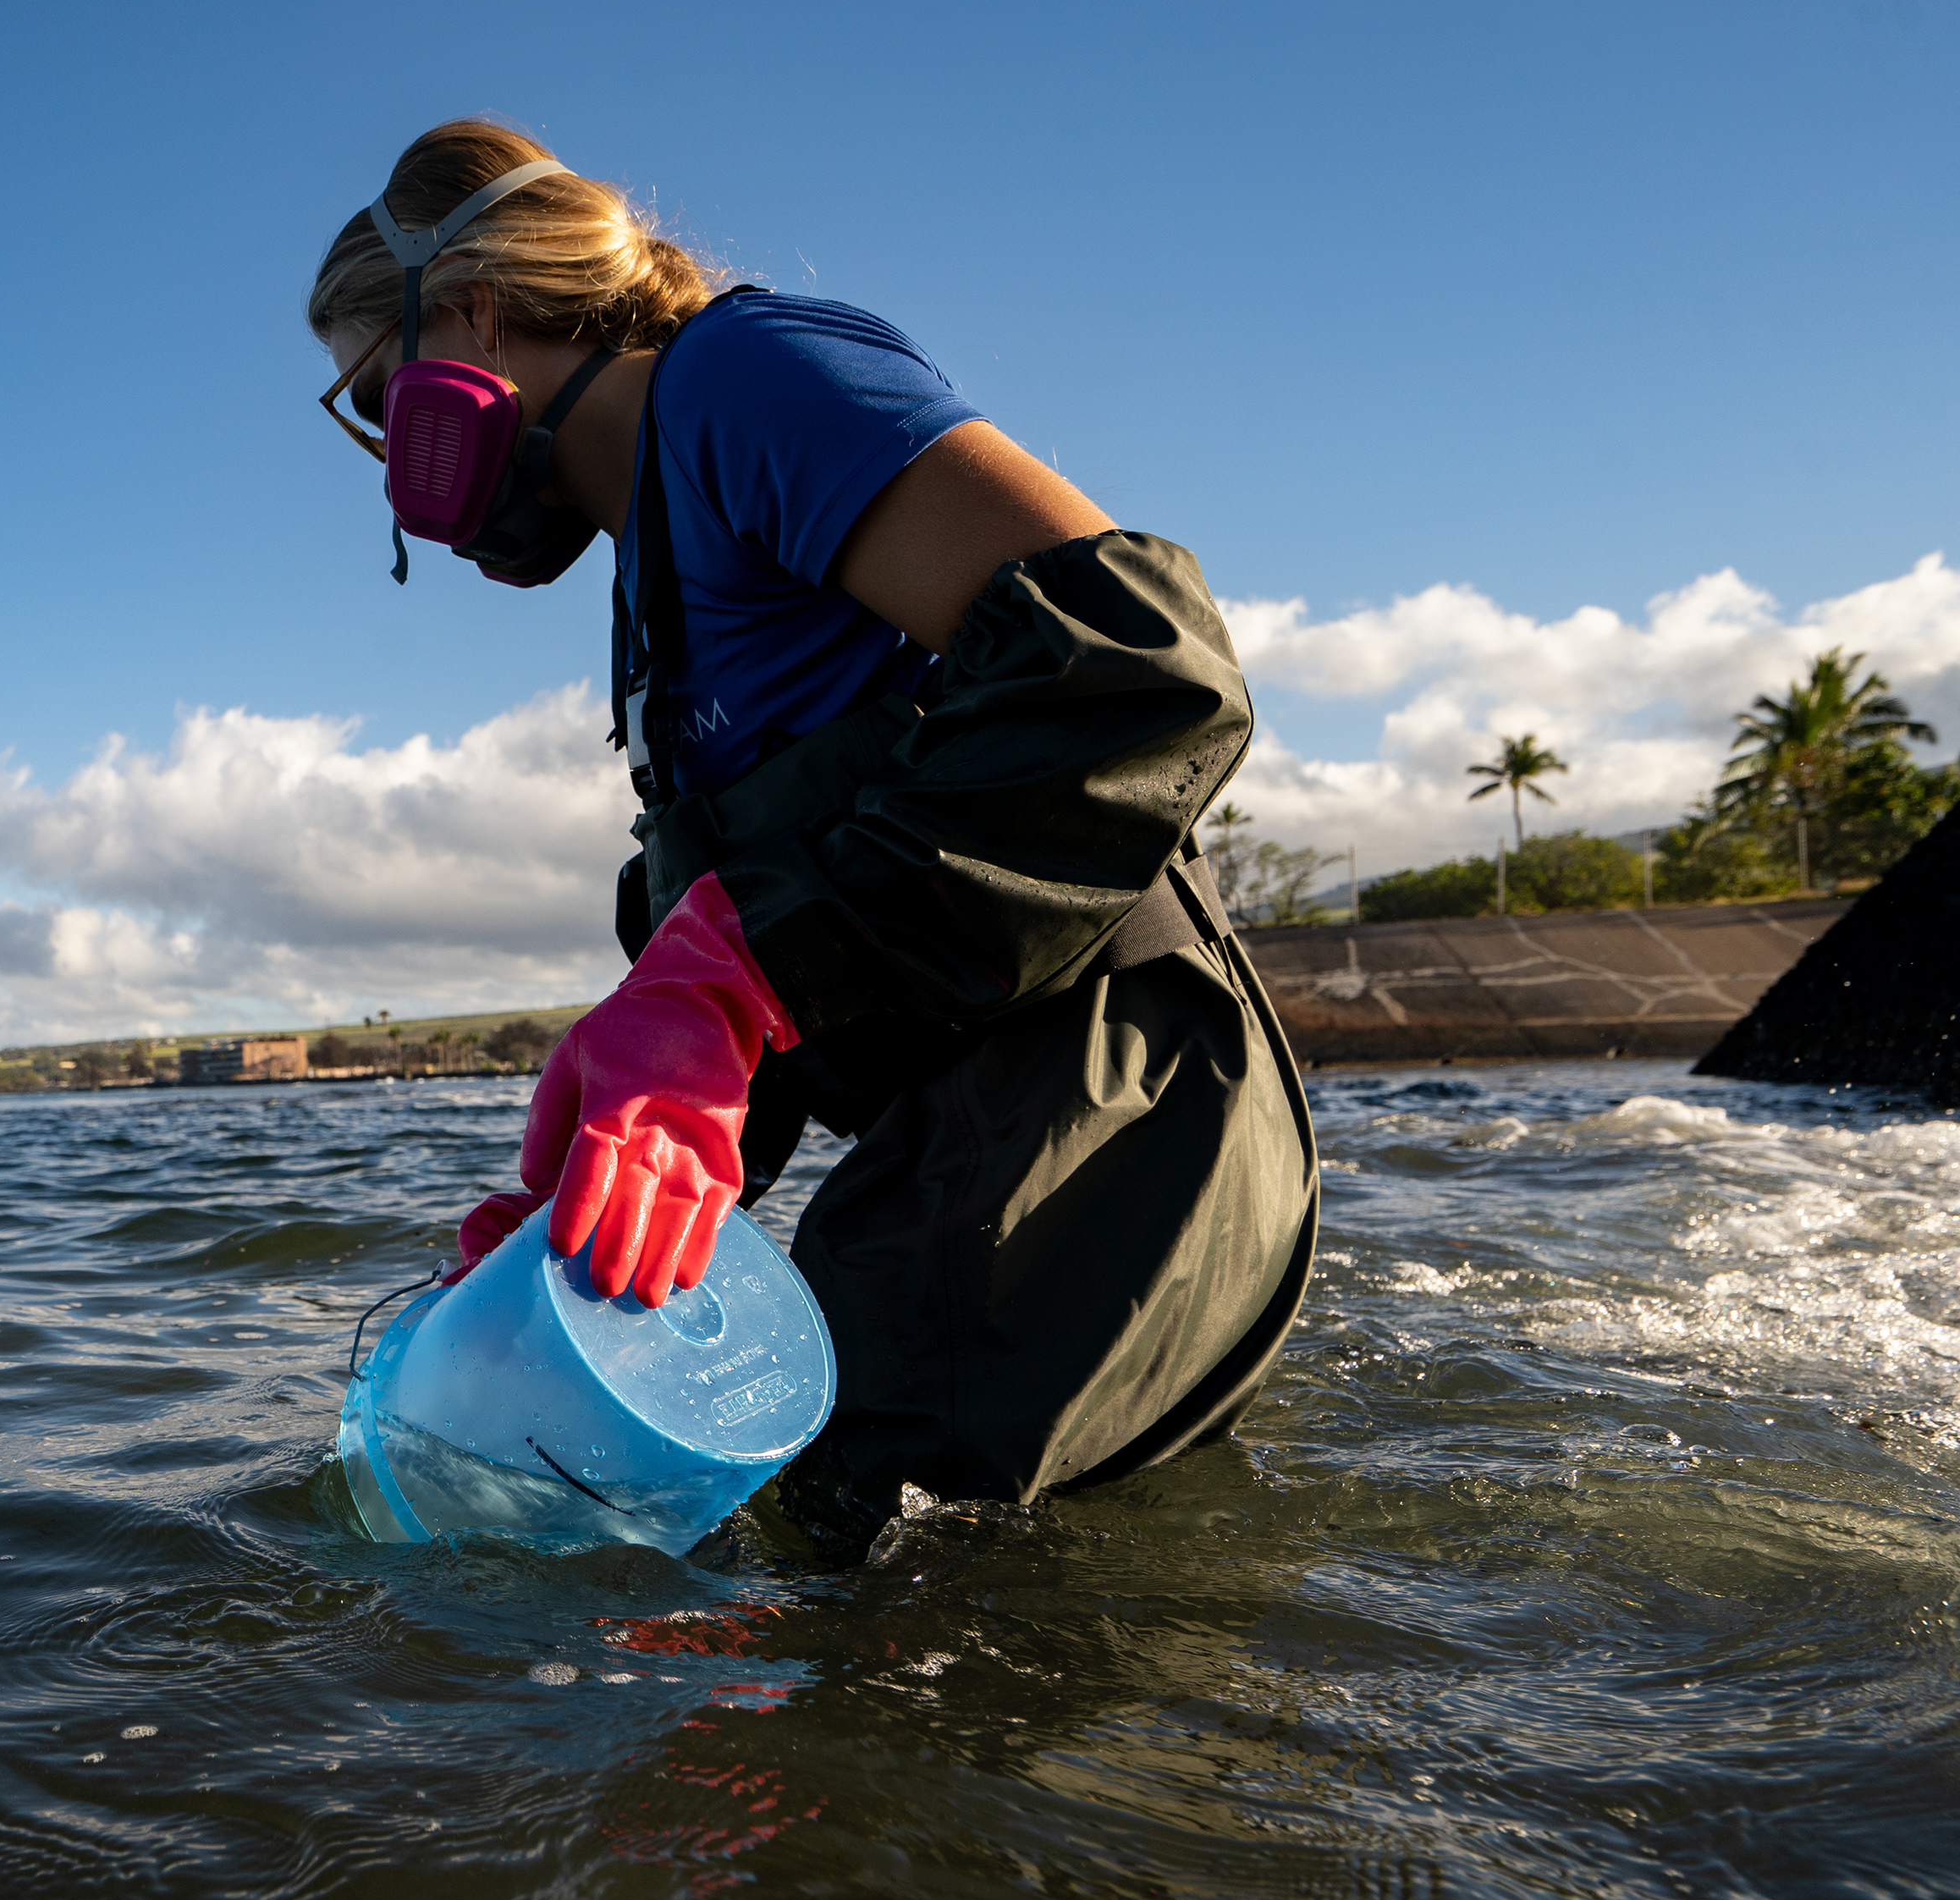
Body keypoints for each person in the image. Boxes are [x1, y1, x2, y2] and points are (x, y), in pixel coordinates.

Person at [306, 122, 1319, 1558]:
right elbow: (811, 927)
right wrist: (602, 1196)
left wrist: (733, 976)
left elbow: (1135, 664)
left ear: (469, 308)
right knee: (822, 1567)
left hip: (1108, 1111)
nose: (387, 460)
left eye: (377, 397)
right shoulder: (654, 587)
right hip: (960, 1134)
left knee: (884, 1613)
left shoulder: (745, 381)